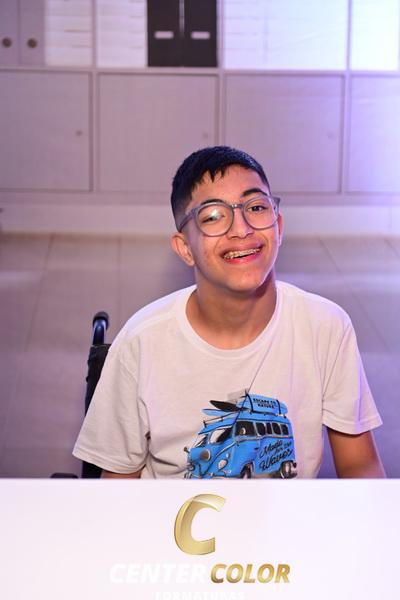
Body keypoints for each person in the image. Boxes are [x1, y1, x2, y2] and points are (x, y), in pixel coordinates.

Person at [73, 146, 385, 479]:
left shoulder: (326, 326)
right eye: (213, 216)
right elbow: (117, 487)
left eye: (256, 207)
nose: (241, 229)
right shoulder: (141, 342)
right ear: (185, 248)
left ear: (278, 226)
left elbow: (360, 465)